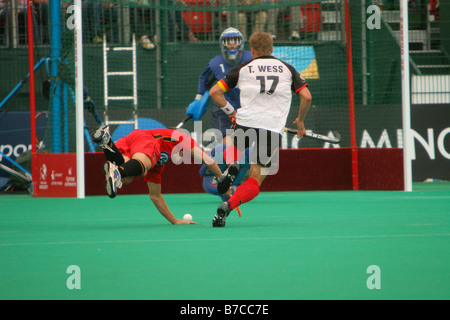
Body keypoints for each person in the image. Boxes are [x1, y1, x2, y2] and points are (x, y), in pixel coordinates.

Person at [209, 31, 312, 227]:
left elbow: (215, 92)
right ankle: (227, 207)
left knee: (234, 150)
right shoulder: (287, 69)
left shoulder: (243, 68)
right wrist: (300, 122)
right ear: (272, 49)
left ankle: (232, 167)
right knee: (255, 179)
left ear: (252, 50)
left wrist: (231, 112)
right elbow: (306, 96)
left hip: (245, 121)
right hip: (271, 127)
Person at [92, 125, 237, 225]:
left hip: (131, 139)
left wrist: (174, 220)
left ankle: (107, 144)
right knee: (142, 168)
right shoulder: (181, 138)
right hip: (144, 138)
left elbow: (155, 196)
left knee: (126, 178)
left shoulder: (158, 163)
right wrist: (224, 182)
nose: (182, 158)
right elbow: (208, 160)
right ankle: (117, 169)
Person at [192, 27, 252, 145]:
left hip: (248, 108)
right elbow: (204, 78)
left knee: (249, 144)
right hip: (224, 110)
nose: (232, 45)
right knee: (227, 145)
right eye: (228, 42)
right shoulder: (214, 63)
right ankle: (230, 159)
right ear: (222, 44)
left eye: (235, 42)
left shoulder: (251, 58)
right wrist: (198, 99)